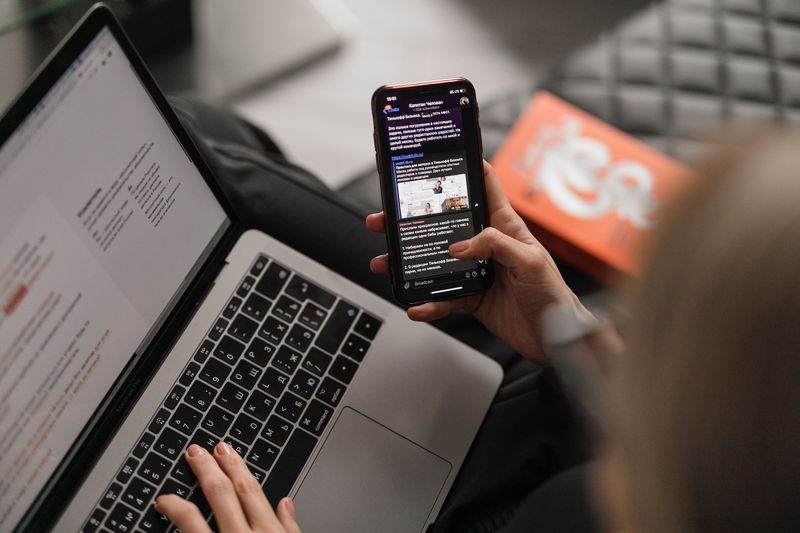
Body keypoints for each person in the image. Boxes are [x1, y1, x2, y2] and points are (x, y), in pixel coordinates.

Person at [157, 99, 800, 532]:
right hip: (537, 412)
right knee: (211, 130)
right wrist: (578, 342)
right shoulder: (711, 482)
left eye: (655, 334)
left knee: (196, 131)